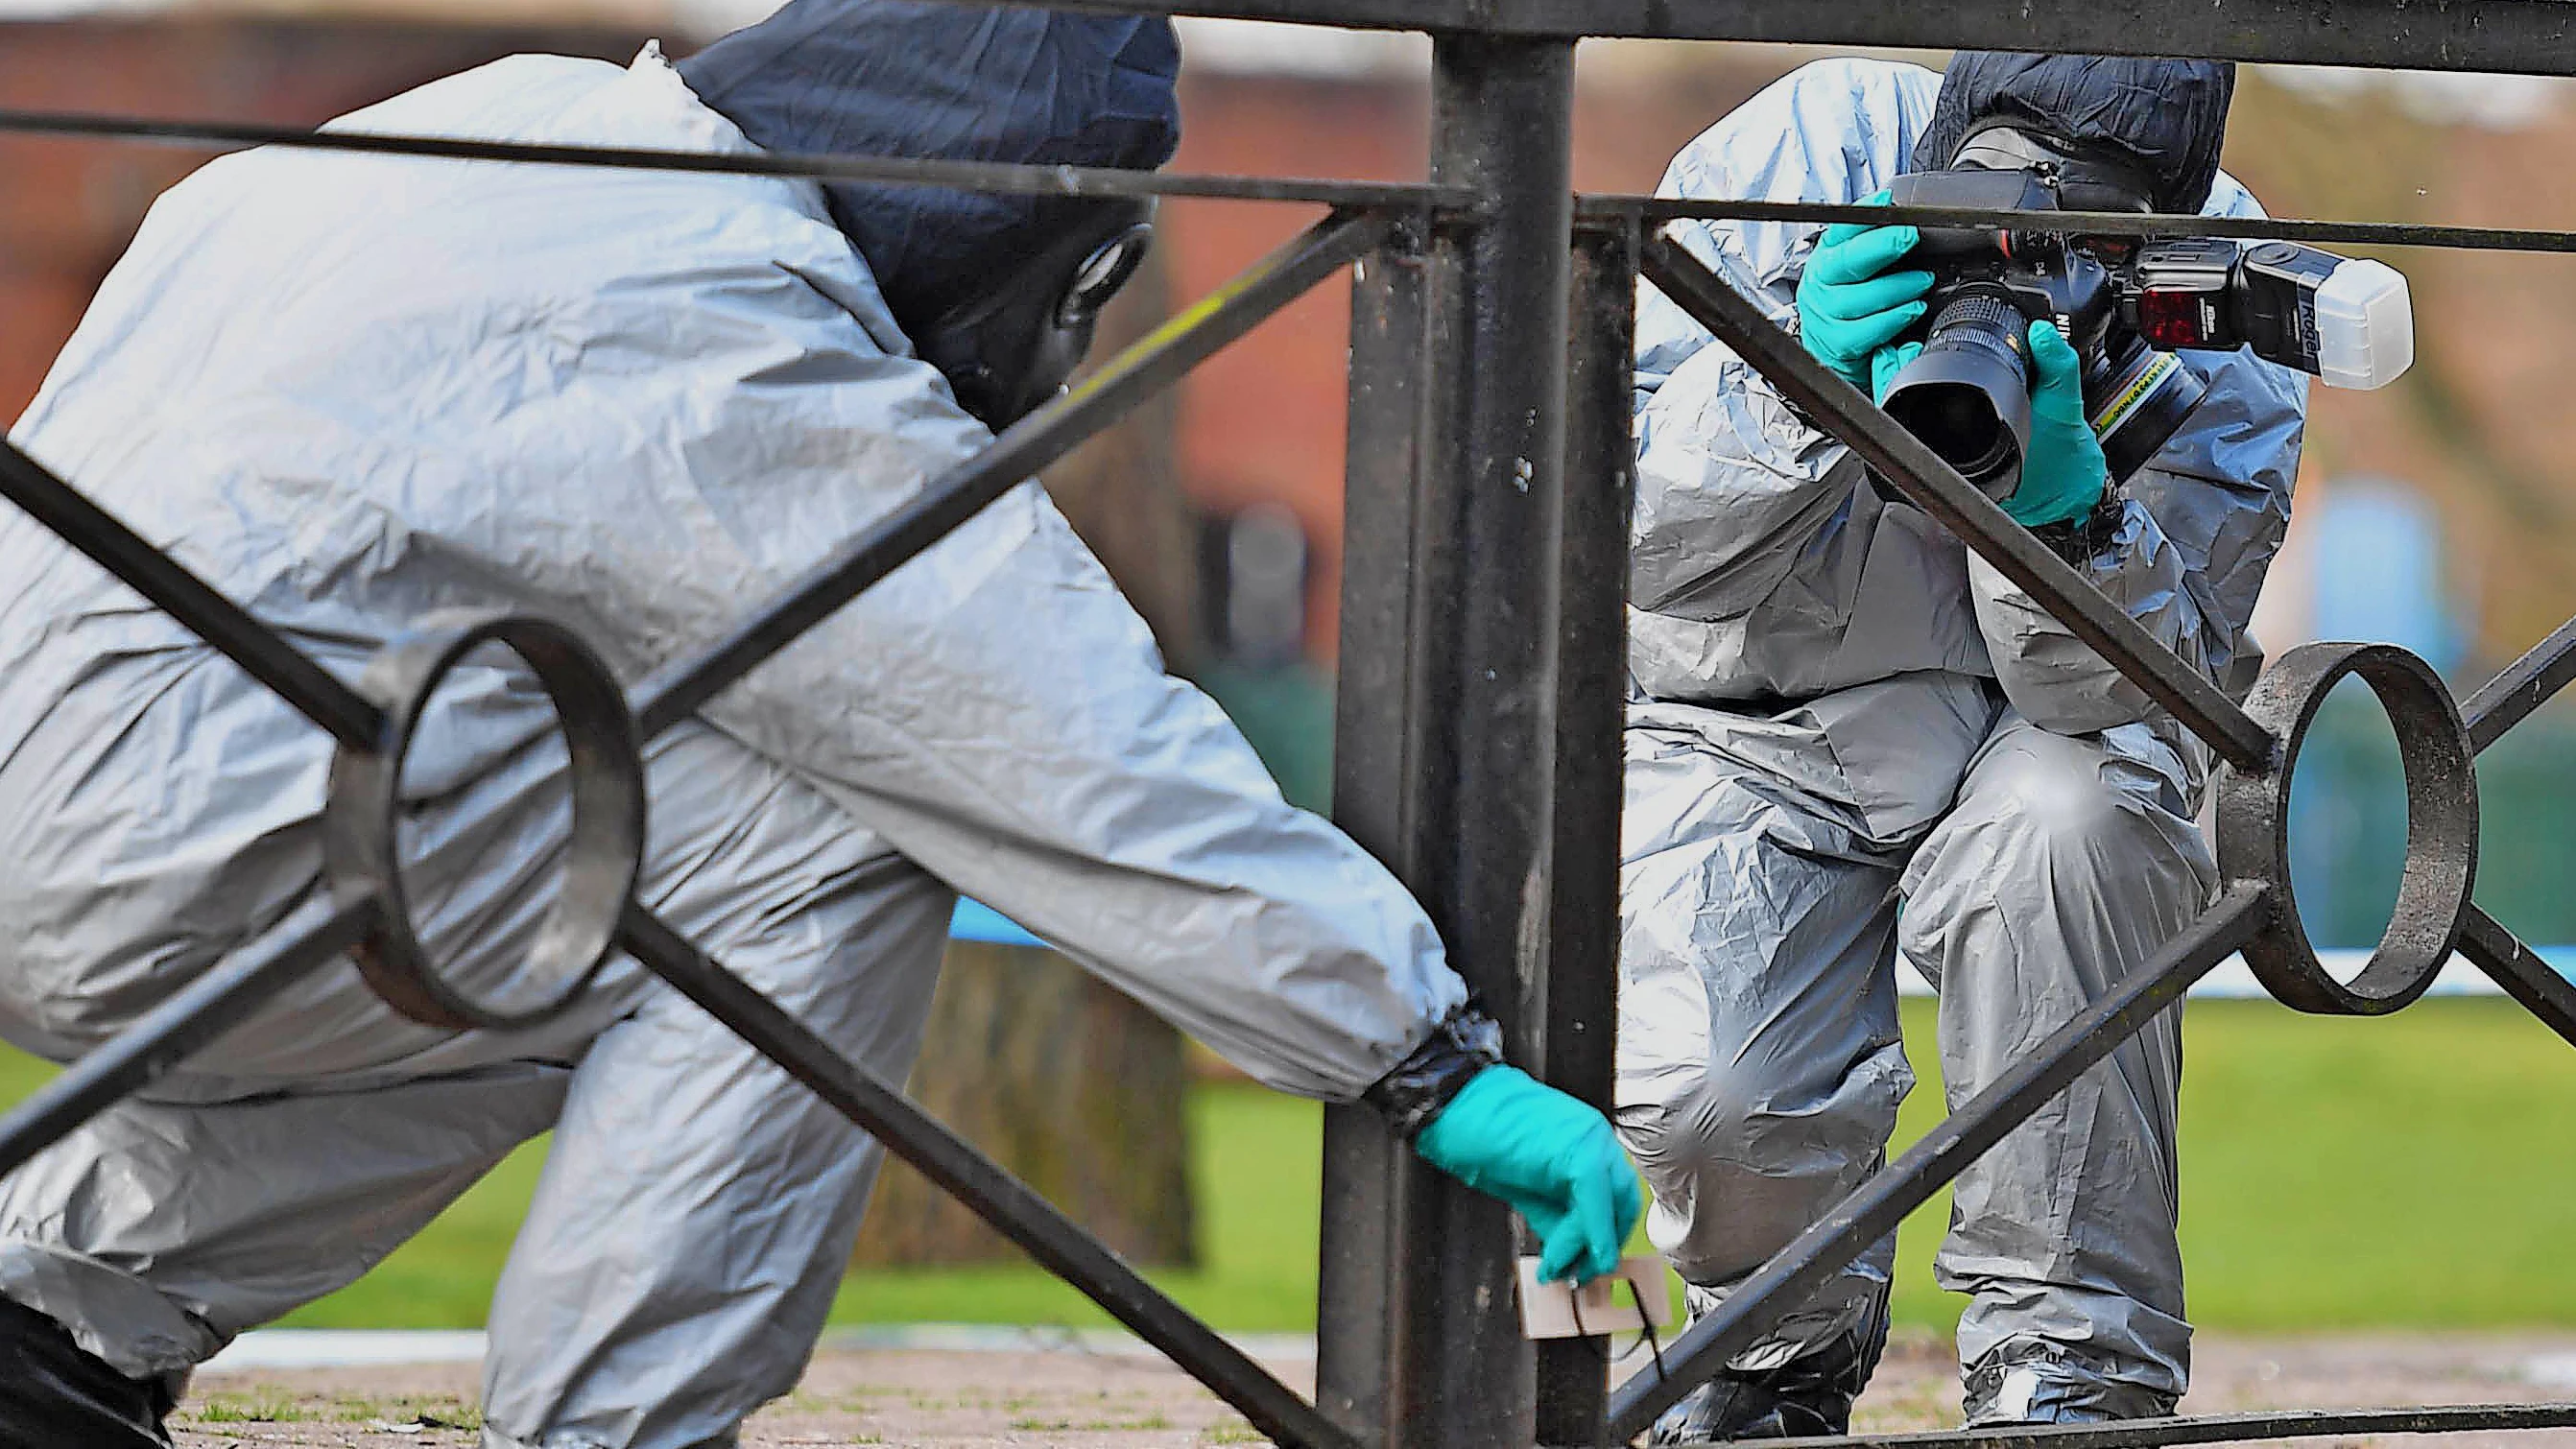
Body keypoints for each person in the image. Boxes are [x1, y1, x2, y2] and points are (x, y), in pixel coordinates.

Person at [0, 4, 1640, 1444]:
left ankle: (46, 1327)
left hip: (121, 803)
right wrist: (1420, 1054)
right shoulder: (741, 332)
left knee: (585, 907)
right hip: (181, 862)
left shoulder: (507, 122)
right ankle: (620, 1421)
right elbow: (1054, 741)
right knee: (826, 821)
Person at [1615, 52, 2307, 1440]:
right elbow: (1625, 541)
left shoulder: (2221, 290)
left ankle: (2071, 1367)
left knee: (2077, 828)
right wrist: (1788, 382)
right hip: (1747, 712)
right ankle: (1778, 1338)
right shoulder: (1803, 151)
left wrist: (2069, 526)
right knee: (1710, 1106)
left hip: (2031, 727)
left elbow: (2143, 687)